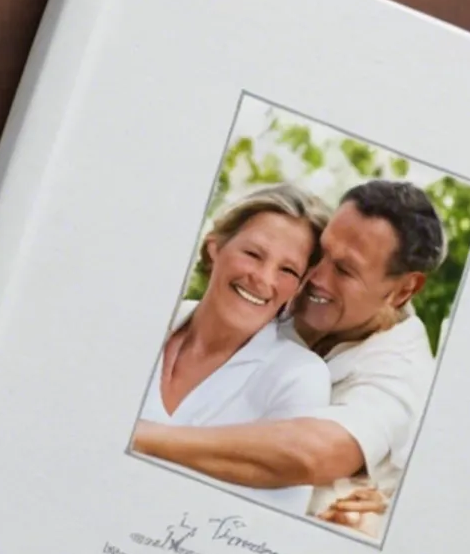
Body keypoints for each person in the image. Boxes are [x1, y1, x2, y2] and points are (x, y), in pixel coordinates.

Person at [132, 179, 447, 536]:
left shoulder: (402, 371)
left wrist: (141, 437)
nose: (314, 276)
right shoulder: (281, 293)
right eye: (320, 253)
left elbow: (314, 454)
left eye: (344, 270)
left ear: (403, 289)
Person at [137, 184, 336, 513]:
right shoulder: (147, 319)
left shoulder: (299, 376)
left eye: (287, 270)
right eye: (253, 254)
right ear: (215, 247)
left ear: (299, 287)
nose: (262, 278)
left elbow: (273, 519)